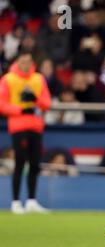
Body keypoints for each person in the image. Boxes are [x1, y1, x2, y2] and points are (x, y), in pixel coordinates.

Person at [0, 50, 51, 214]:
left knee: (35, 164)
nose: (26, 64)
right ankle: (15, 202)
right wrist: (20, 109)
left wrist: (34, 99)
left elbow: (47, 102)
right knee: (20, 162)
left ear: (32, 62)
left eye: (28, 61)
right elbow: (1, 104)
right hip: (19, 126)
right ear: (17, 62)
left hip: (36, 126)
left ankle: (31, 200)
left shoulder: (38, 78)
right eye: (23, 61)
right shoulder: (8, 79)